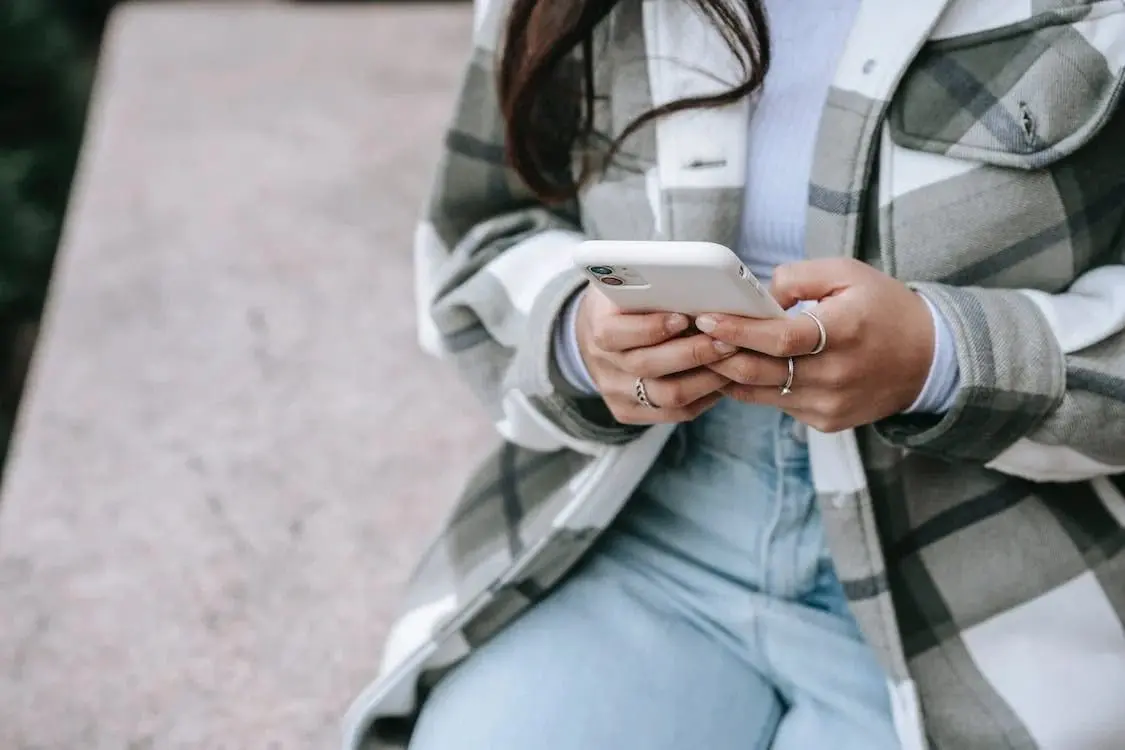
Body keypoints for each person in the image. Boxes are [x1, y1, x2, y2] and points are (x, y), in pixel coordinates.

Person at [344, 0, 1125, 747]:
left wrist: (942, 361)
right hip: (646, 516)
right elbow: (481, 230)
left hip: (1006, 560)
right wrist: (583, 339)